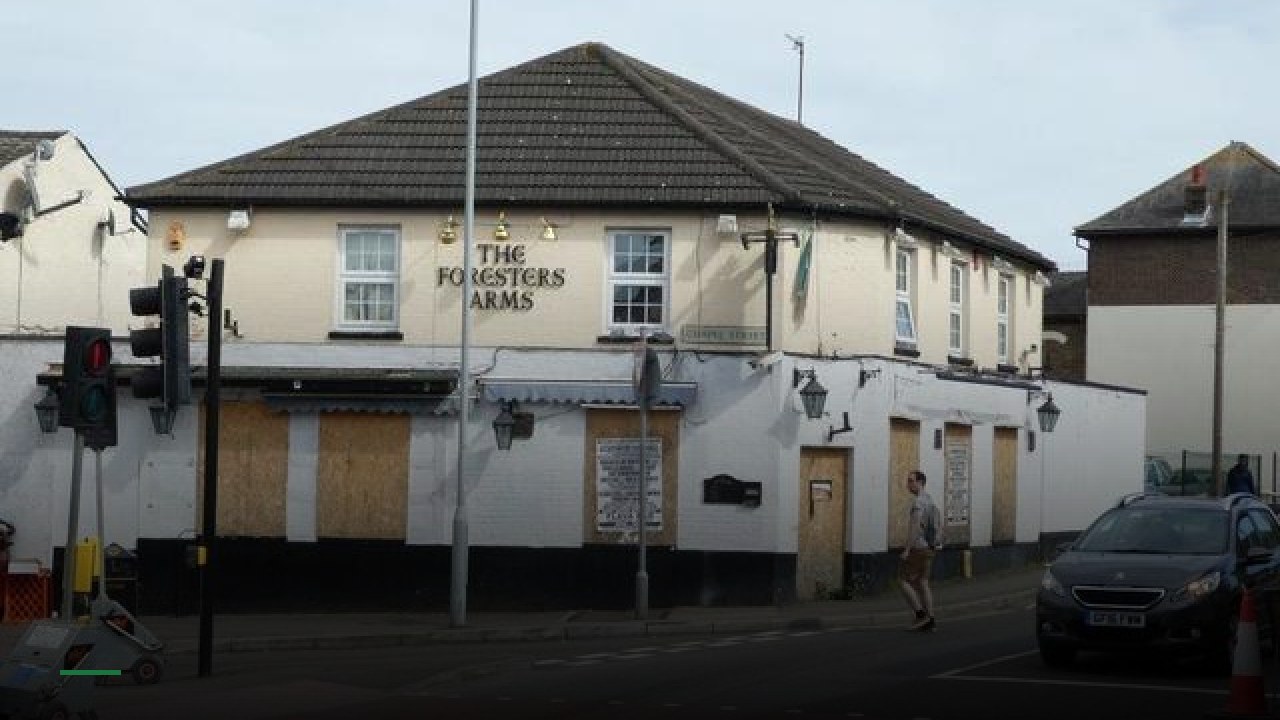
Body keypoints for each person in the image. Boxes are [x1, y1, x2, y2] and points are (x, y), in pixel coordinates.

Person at [899, 470, 939, 632]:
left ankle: (920, 614)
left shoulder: (918, 503)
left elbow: (914, 528)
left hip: (918, 548)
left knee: (903, 581)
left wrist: (907, 549)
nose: (908, 484)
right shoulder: (929, 500)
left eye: (911, 481)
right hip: (929, 548)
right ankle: (931, 619)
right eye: (908, 481)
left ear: (920, 482)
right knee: (923, 583)